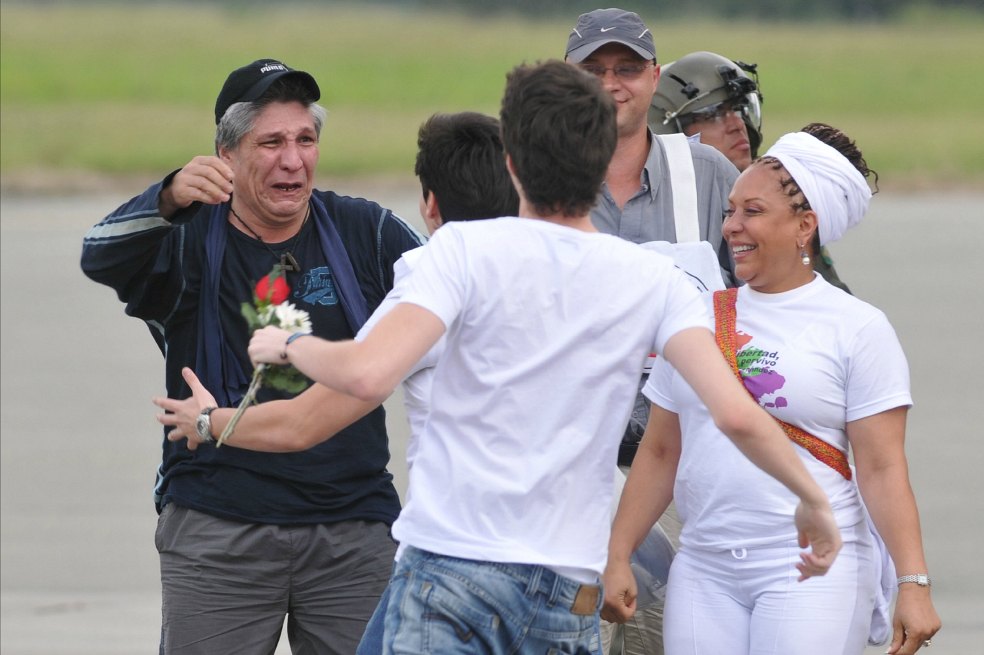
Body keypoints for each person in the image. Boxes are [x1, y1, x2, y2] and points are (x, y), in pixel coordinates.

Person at [246, 60, 841, 655]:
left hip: (454, 575)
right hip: (567, 593)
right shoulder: (653, 281)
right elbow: (734, 413)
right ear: (603, 157)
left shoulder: (462, 251)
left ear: (514, 163)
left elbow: (368, 372)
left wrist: (289, 343)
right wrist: (812, 500)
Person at [80, 58, 425, 654]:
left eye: (305, 140)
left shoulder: (364, 231)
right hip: (217, 530)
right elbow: (99, 256)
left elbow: (457, 288)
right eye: (271, 143)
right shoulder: (186, 237)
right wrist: (165, 197)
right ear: (225, 154)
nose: (293, 160)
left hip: (354, 531)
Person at [152, 110, 519, 654]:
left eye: (305, 139)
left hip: (457, 557)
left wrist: (214, 415)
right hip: (563, 561)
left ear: (431, 205)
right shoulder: (589, 276)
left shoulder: (431, 290)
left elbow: (316, 414)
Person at [603, 123, 942, 655]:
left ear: (805, 225)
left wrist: (913, 584)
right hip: (704, 569)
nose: (731, 226)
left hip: (811, 570)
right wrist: (618, 553)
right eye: (730, 209)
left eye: (752, 212)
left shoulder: (857, 327)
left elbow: (881, 468)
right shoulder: (694, 317)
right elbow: (663, 449)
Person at [564, 10, 741, 652]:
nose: (612, 84)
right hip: (569, 457)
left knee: (653, 631)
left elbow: (761, 302)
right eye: (594, 71)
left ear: (655, 77)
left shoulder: (710, 176)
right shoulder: (533, 179)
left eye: (628, 69)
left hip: (683, 456)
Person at [649, 50, 851, 292]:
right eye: (712, 115)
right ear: (669, 129)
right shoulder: (653, 207)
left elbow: (824, 300)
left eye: (738, 110)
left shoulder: (780, 202)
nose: (737, 125)